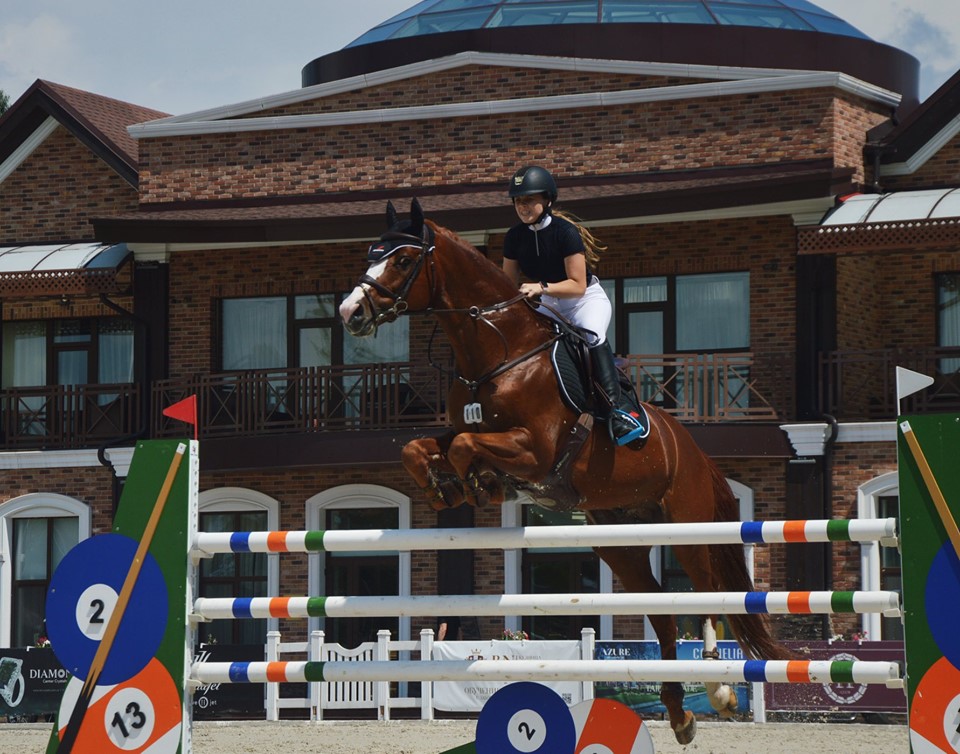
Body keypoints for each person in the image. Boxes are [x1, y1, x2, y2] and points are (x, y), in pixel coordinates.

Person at [502, 165, 647, 446]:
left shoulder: (565, 232)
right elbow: (508, 284)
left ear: (547, 200)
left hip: (583, 300)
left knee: (592, 335)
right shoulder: (514, 237)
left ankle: (618, 412)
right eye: (518, 201)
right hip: (548, 302)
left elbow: (577, 285)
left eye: (529, 199)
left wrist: (540, 288)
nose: (522, 206)